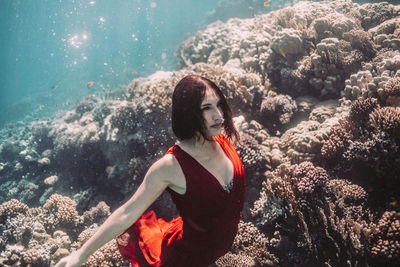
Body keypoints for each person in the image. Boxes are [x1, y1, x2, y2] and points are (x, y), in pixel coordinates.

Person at [55, 75, 245, 267]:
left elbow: (231, 125)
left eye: (219, 105)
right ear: (187, 113)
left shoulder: (224, 137)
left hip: (215, 251)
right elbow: (126, 212)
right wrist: (81, 254)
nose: (218, 115)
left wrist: (237, 123)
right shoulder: (170, 166)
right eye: (206, 108)